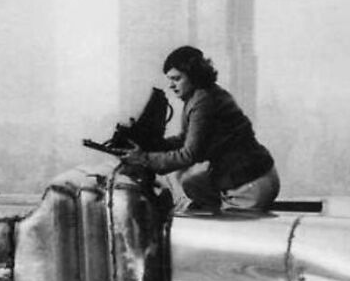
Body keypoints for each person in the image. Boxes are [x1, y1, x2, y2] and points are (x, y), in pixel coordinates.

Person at [118, 46, 279, 213]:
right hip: (258, 173)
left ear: (194, 76)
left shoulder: (203, 101)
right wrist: (154, 146)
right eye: (170, 79)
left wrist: (144, 159)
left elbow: (189, 155)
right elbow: (186, 139)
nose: (171, 86)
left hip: (249, 184)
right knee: (191, 184)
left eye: (177, 79)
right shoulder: (203, 95)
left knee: (220, 230)